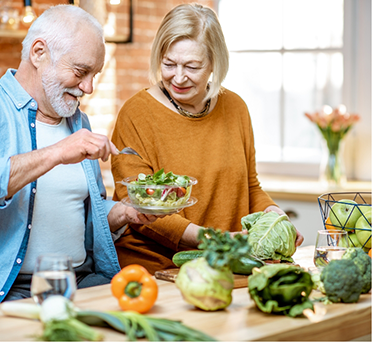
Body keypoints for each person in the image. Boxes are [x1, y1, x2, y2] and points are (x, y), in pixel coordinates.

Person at [111, 3, 304, 274]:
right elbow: (137, 206)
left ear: (214, 62)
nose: (178, 77)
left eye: (192, 66)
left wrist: (276, 218)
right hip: (156, 269)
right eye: (168, 64)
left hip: (225, 264)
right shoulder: (136, 113)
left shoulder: (235, 108)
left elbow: (250, 187)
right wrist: (213, 240)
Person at [0, 5, 160, 304]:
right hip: (13, 289)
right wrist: (58, 152)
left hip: (83, 279)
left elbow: (84, 216)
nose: (89, 87)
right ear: (38, 52)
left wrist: (124, 213)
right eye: (81, 71)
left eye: (95, 74)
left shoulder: (78, 122)